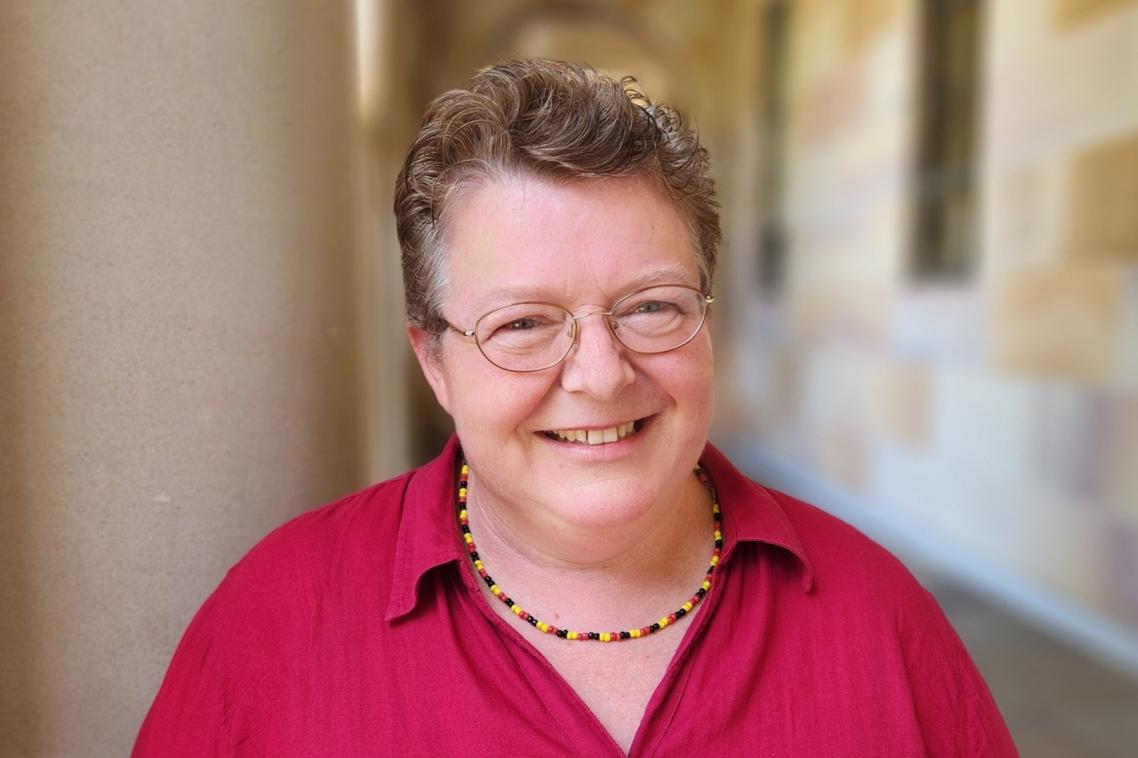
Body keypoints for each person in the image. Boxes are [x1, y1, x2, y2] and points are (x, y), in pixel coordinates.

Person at [134, 59, 1017, 756]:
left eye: (651, 307)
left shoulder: (881, 620)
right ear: (434, 361)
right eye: (523, 323)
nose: (600, 375)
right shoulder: (273, 625)